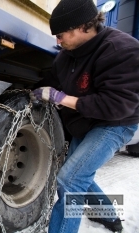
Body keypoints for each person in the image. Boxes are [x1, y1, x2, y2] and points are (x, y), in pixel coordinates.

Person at [30, 0, 139, 232]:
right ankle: (110, 217)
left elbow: (117, 105)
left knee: (70, 179)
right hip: (84, 121)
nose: (57, 42)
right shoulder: (66, 56)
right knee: (79, 173)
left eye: (60, 35)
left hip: (115, 123)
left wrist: (62, 99)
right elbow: (52, 83)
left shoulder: (122, 50)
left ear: (83, 27)